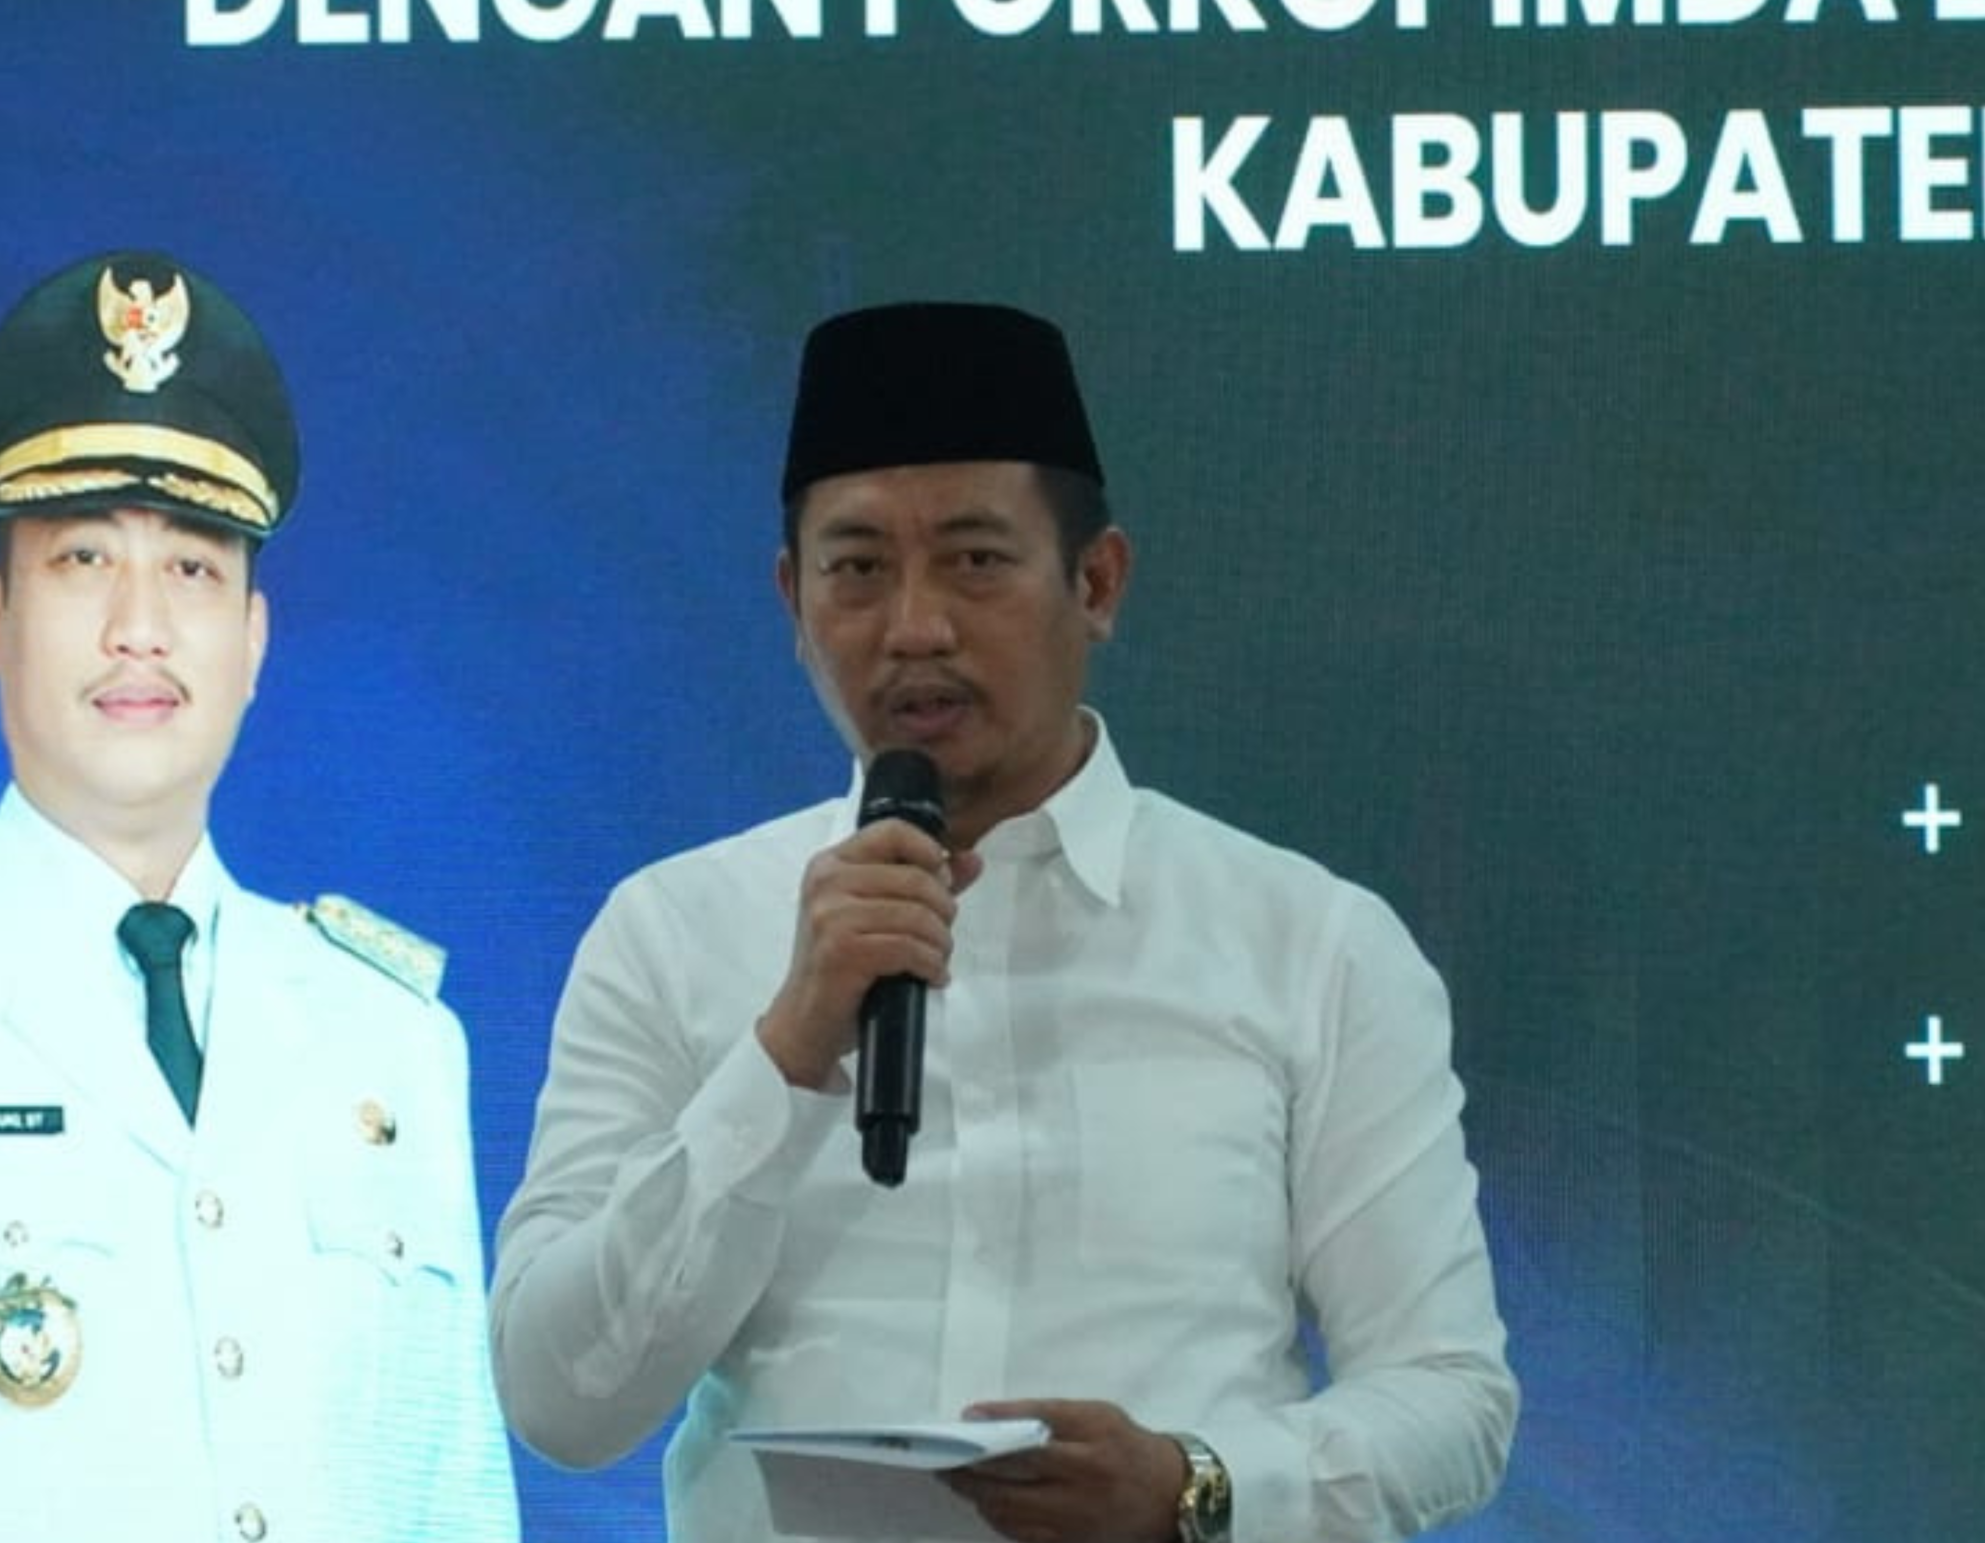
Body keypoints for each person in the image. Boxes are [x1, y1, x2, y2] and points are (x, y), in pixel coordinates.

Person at [491, 301, 1517, 1542]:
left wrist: (1191, 1486)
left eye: (975, 560)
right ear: (792, 600)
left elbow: (1448, 1395)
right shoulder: (670, 930)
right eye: (856, 569)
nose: (914, 626)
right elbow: (559, 1401)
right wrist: (785, 1050)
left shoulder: (1310, 944)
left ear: (1096, 582)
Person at [0, 251, 518, 1542]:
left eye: (193, 569)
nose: (139, 626)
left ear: (252, 642)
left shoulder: (395, 1039)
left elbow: (453, 1496)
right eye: (82, 558)